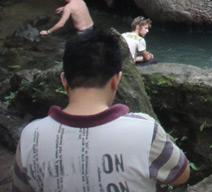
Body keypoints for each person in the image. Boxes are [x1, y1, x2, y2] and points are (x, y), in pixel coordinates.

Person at [12, 29, 190, 191]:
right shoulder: (145, 130)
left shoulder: (31, 136)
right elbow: (181, 174)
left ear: (64, 81)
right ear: (116, 80)